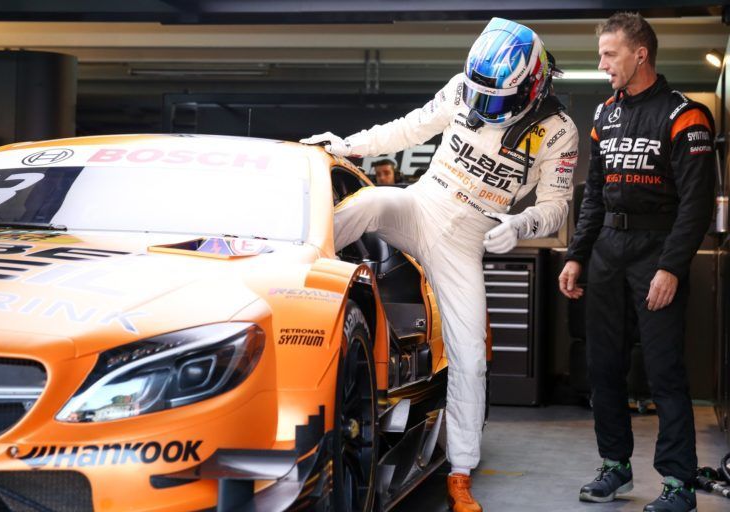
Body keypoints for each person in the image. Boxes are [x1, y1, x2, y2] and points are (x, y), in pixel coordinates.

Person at [302, 17, 578, 512]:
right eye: (478, 95)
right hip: (420, 203)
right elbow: (409, 128)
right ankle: (293, 271)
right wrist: (347, 146)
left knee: (470, 355)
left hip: (467, 239)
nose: (483, 107)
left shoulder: (559, 131)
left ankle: (461, 472)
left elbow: (557, 206)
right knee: (368, 202)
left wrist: (520, 224)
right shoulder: (461, 89)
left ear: (533, 84)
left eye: (495, 99)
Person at [558, 12, 715, 512]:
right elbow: (594, 196)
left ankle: (679, 484)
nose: (602, 64)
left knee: (664, 372)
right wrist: (577, 255)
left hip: (657, 251)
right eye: (601, 55)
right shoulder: (604, 115)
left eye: (610, 54)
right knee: (604, 367)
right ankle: (615, 466)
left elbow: (696, 205)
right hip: (607, 250)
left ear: (640, 54)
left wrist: (671, 267)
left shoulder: (685, 116)